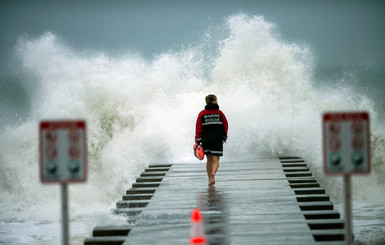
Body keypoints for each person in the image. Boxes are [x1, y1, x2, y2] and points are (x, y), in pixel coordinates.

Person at [195, 94, 228, 186]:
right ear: (213, 101)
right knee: (216, 160)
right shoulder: (220, 113)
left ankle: (210, 178)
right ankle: (213, 173)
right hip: (217, 139)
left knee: (209, 160)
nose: (217, 101)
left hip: (206, 139)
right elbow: (225, 125)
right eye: (216, 100)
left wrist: (197, 140)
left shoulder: (202, 114)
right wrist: (224, 137)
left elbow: (198, 127)